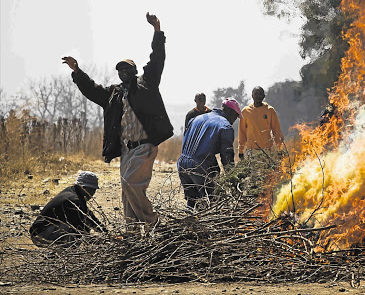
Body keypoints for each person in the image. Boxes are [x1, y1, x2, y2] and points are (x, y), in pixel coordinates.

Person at [62, 12, 173, 226]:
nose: (123, 72)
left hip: (144, 146)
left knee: (132, 184)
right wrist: (77, 71)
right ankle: (132, 234)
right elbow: (92, 90)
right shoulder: (114, 94)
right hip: (126, 150)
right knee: (126, 189)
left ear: (134, 71)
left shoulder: (146, 83)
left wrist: (157, 30)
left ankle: (153, 223)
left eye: (126, 69)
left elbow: (157, 59)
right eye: (119, 70)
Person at [177, 97, 242, 209]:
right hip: (200, 166)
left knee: (192, 203)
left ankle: (189, 225)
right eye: (236, 116)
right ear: (230, 111)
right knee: (213, 203)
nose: (234, 120)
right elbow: (227, 157)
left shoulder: (197, 118)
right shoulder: (225, 126)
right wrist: (232, 179)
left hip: (182, 164)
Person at [29, 171, 105, 247]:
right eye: (89, 189)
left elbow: (88, 215)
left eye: (93, 190)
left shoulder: (73, 192)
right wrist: (98, 241)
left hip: (48, 231)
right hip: (40, 235)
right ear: (81, 186)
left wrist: (105, 232)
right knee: (77, 230)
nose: (91, 193)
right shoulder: (73, 199)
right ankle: (64, 252)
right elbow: (81, 227)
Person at [238, 86, 284, 159]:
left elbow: (276, 130)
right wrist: (241, 150)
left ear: (264, 96)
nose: (258, 96)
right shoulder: (245, 111)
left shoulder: (270, 110)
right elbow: (242, 132)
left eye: (260, 94)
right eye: (256, 94)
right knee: (253, 171)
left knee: (267, 170)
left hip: (267, 151)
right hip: (251, 151)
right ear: (252, 95)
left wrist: (280, 149)